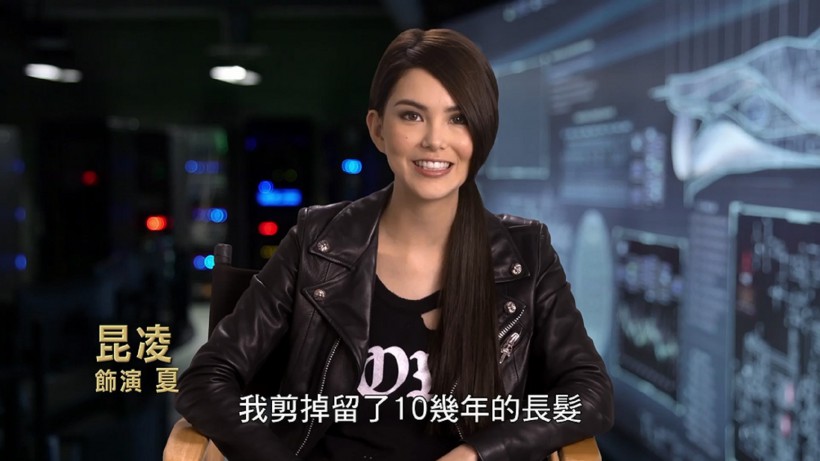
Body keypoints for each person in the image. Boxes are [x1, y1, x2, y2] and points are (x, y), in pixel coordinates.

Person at [175, 28, 613, 461]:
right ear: (378, 129)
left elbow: (590, 394)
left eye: (458, 118)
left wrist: (476, 454)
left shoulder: (525, 253)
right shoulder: (318, 241)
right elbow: (205, 380)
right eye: (412, 116)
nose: (435, 140)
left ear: (483, 132)